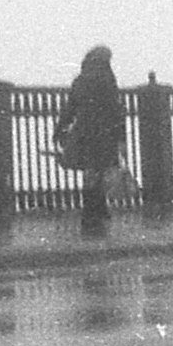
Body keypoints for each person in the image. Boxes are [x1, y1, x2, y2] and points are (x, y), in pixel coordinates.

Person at [51, 45, 127, 238]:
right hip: (104, 133)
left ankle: (92, 210)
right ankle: (97, 210)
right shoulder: (107, 79)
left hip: (84, 132)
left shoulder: (81, 79)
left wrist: (60, 128)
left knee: (90, 171)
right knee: (100, 170)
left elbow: (71, 106)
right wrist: (121, 136)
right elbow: (115, 109)